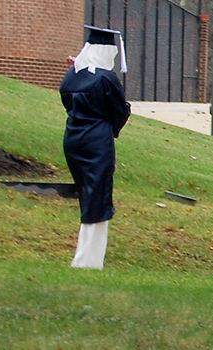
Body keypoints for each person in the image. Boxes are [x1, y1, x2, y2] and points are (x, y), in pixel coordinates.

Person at [61, 25, 132, 269]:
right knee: (99, 198)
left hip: (73, 138)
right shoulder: (106, 78)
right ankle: (88, 261)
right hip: (97, 141)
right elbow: (119, 111)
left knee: (87, 196)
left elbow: (65, 99)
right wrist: (112, 127)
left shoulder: (73, 74)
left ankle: (84, 257)